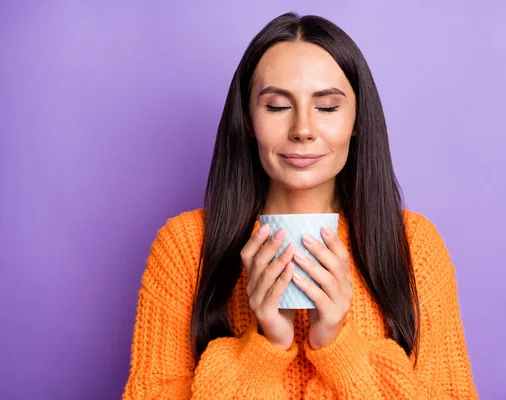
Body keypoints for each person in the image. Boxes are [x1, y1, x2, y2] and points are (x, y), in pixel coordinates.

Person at [123, 11, 478, 399]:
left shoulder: (414, 247)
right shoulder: (185, 248)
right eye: (276, 106)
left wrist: (338, 344)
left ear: (357, 119)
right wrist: (266, 347)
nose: (302, 130)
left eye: (327, 108)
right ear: (247, 118)